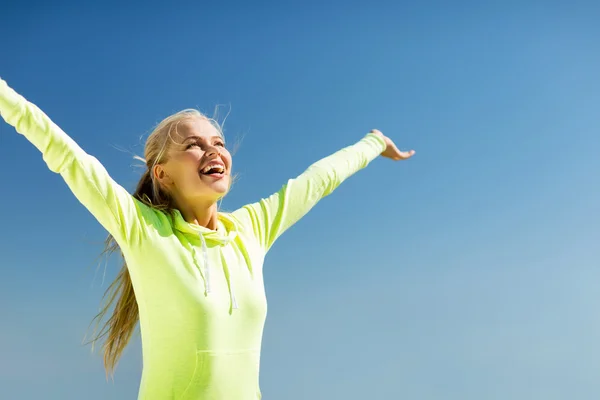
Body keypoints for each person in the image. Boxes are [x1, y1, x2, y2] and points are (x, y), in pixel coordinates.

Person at [0, 77, 415, 399]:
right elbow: (66, 155)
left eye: (218, 143)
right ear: (162, 173)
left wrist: (373, 143)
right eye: (194, 146)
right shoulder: (144, 231)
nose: (213, 151)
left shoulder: (251, 230)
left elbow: (318, 180)